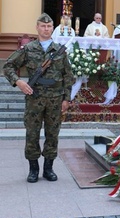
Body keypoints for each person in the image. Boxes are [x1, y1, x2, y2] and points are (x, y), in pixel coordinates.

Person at [2, 13, 74, 183]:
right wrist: (18, 82)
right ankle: (33, 169)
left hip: (55, 99)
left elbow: (68, 76)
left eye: (49, 26)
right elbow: (8, 66)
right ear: (37, 27)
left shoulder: (59, 51)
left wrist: (66, 99)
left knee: (52, 134)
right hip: (34, 99)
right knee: (32, 134)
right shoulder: (28, 49)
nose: (46, 29)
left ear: (52, 28)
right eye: (43, 26)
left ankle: (48, 168)